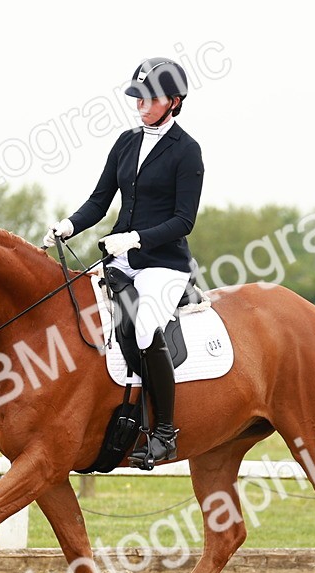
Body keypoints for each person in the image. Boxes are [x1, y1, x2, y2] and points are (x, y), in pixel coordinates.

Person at [43, 57, 205, 468]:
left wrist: (135, 238)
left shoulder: (187, 152)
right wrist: (68, 225)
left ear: (174, 101)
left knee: (146, 328)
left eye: (150, 99)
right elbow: (101, 200)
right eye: (138, 98)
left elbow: (184, 220)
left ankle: (165, 432)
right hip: (122, 259)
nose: (140, 106)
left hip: (164, 265)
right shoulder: (126, 142)